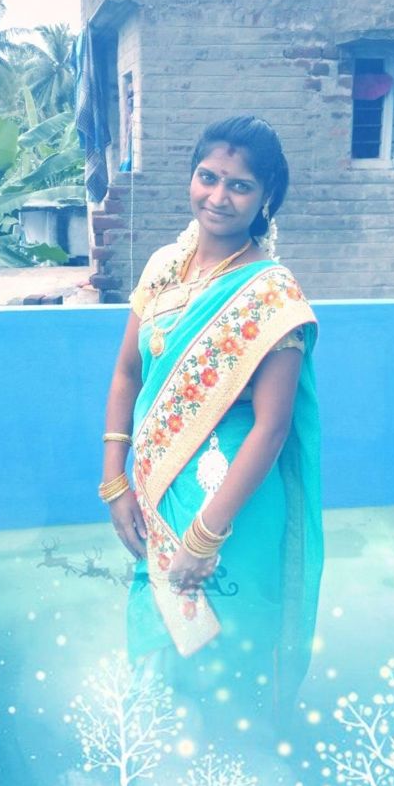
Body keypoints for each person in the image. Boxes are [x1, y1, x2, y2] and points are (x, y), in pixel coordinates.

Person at [99, 115, 322, 728]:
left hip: (230, 508)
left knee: (230, 646)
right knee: (167, 643)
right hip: (158, 491)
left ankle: (243, 755)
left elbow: (272, 428)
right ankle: (168, 752)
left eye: (240, 185)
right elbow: (126, 373)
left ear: (266, 197)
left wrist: (206, 535)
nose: (219, 196)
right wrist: (114, 480)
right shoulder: (162, 269)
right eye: (208, 177)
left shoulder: (272, 295)